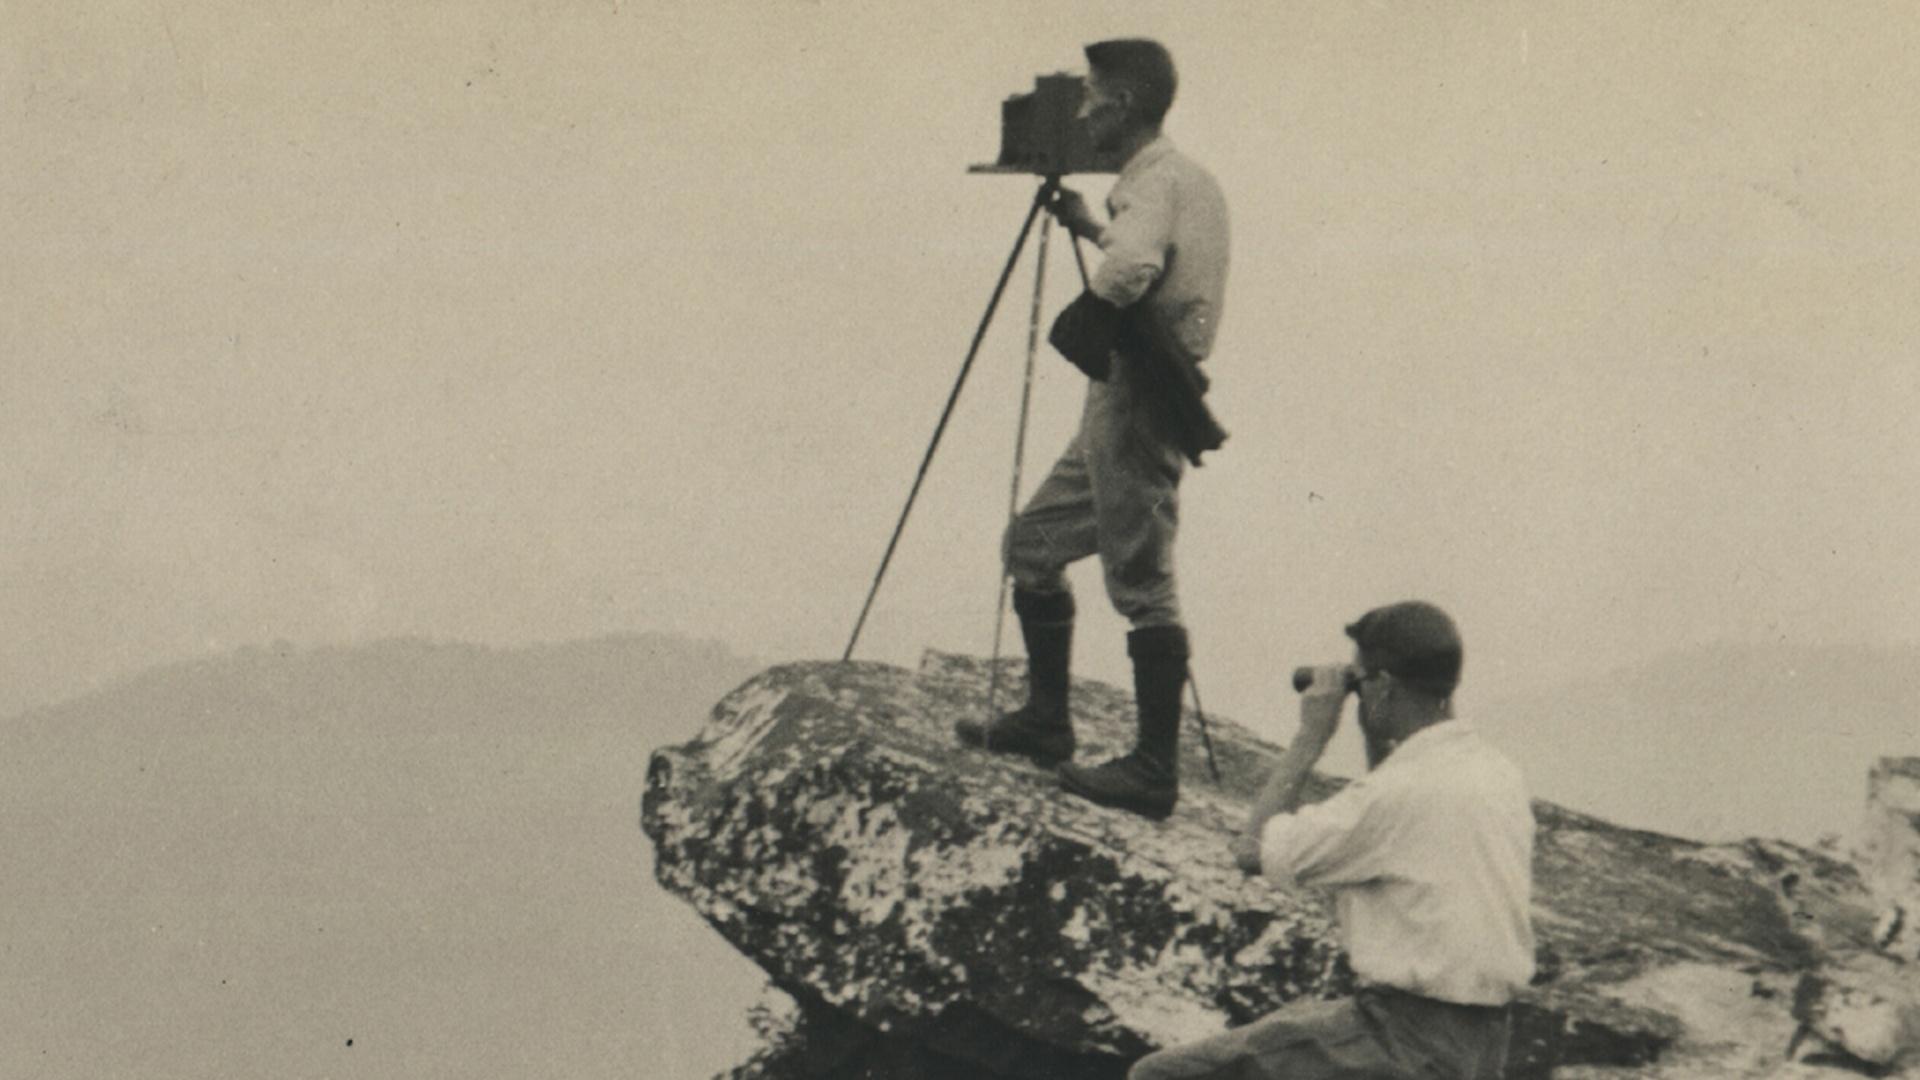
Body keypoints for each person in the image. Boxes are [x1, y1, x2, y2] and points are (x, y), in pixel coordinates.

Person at [954, 38, 1231, 821]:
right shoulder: (1178, 181)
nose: (1081, 110)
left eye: (1091, 96)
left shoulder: (1153, 183)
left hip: (1139, 396)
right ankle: (1047, 721)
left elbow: (1133, 269)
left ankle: (1152, 770)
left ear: (1122, 104)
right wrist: (1086, 224)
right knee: (1033, 544)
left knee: (1143, 582)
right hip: (1130, 389)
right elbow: (1146, 255)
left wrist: (1089, 315)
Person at [1134, 602, 1535, 1080]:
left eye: (1361, 681)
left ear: (1383, 686)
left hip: (1403, 1040)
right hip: (1483, 1042)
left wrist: (1311, 735)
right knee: (1291, 1028)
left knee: (1160, 1075)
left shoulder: (1394, 793)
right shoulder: (1496, 774)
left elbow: (1251, 849)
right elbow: (1394, 827)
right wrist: (1374, 724)